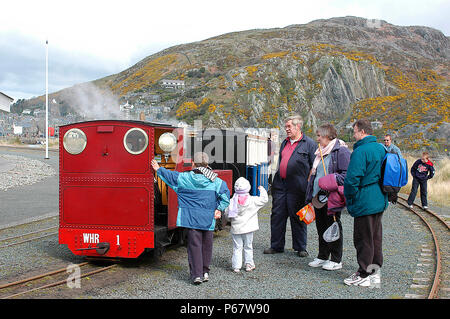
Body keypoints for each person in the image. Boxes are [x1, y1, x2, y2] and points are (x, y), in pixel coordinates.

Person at [151, 152, 230, 285]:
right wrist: (218, 209)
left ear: (193, 163)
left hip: (191, 219)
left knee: (194, 246)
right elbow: (225, 197)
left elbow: (170, 177)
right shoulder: (216, 181)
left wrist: (158, 169)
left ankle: (196, 275)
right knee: (207, 246)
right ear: (207, 164)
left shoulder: (184, 178)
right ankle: (205, 272)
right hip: (208, 219)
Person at [343, 119, 388, 287]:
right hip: (379, 198)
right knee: (376, 237)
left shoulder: (360, 151)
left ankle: (363, 274)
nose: (353, 135)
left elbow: (352, 179)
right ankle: (374, 271)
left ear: (362, 132)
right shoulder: (381, 148)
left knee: (363, 238)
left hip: (365, 200)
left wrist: (350, 199)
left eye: (354, 132)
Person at [264, 114, 317, 257]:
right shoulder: (284, 142)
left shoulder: (309, 144)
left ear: (298, 126)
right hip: (281, 186)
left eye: (289, 126)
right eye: (286, 126)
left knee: (298, 217)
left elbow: (314, 167)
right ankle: (276, 245)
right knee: (277, 216)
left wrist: (309, 187)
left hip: (298, 188)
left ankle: (300, 247)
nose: (286, 129)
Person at [305, 124, 350, 271]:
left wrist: (329, 181)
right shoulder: (320, 152)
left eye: (319, 136)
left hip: (331, 197)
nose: (317, 139)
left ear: (327, 136)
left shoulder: (341, 151)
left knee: (334, 226)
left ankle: (336, 259)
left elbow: (345, 175)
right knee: (321, 227)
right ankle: (323, 256)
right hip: (318, 197)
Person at [224, 177, 268, 272]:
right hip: (249, 228)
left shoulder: (232, 201)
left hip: (236, 229)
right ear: (248, 187)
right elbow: (264, 200)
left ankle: (236, 266)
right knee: (248, 246)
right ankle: (249, 264)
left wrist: (230, 220)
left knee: (237, 247)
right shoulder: (253, 200)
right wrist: (262, 190)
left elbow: (226, 214)